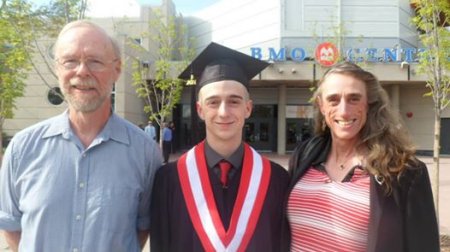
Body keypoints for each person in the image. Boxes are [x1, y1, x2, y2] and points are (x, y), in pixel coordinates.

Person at [0, 20, 162, 252]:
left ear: (117, 69)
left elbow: (142, 227)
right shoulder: (21, 148)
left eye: (95, 61)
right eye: (70, 61)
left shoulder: (145, 153)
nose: (82, 71)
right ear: (57, 69)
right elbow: (11, 225)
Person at [150, 42, 290, 252]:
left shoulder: (276, 179)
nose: (224, 112)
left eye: (234, 101)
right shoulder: (169, 179)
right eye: (213, 102)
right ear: (199, 110)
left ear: (248, 108)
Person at [287, 62, 439, 252]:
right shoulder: (304, 155)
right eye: (333, 99)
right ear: (322, 106)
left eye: (354, 99)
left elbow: (423, 246)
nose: (344, 111)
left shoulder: (404, 171)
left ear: (369, 104)